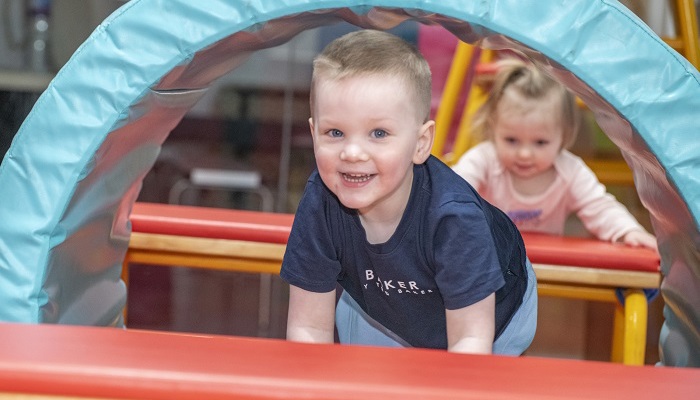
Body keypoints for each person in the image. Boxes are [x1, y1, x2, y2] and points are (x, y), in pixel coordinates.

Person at [280, 29, 537, 355]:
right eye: (335, 132)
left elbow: (471, 342)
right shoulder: (322, 201)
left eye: (378, 133)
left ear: (420, 143)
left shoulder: (454, 218)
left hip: (495, 316)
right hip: (381, 313)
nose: (353, 152)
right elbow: (307, 328)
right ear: (314, 133)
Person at [452, 59, 657, 250]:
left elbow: (600, 207)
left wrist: (628, 230)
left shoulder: (570, 171)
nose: (524, 154)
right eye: (511, 140)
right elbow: (452, 193)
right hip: (492, 265)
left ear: (564, 136)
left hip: (545, 268)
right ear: (493, 128)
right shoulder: (483, 161)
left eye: (540, 142)